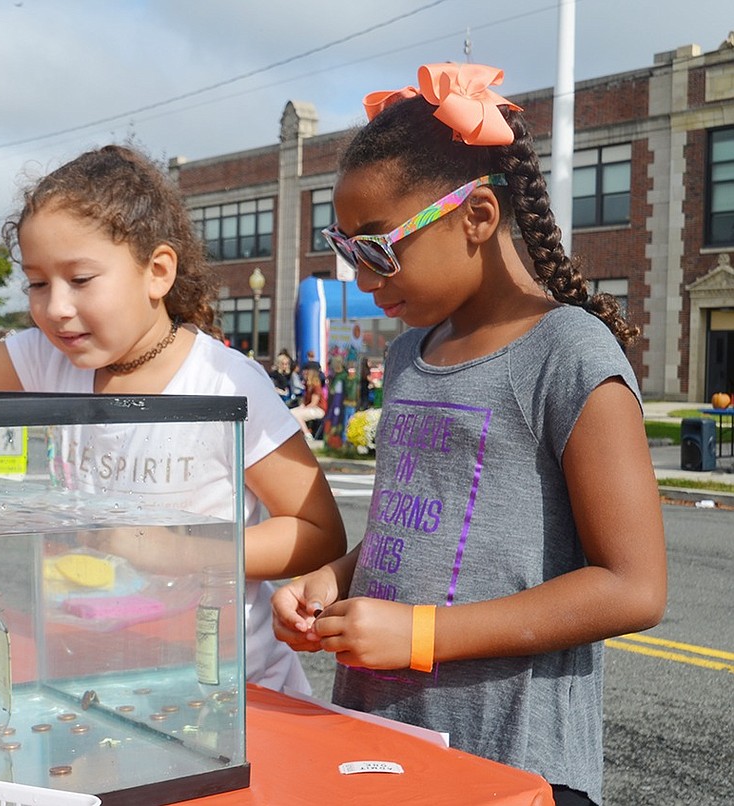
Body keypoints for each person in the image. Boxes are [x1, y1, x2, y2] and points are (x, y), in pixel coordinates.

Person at [270, 63, 666, 805]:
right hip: (379, 743)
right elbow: (418, 524)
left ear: (477, 217)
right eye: (347, 250)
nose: (360, 277)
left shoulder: (568, 351)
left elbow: (634, 586)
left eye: (378, 247)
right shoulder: (409, 353)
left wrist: (423, 635)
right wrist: (335, 580)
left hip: (509, 768)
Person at [0, 144, 347, 694]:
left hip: (230, 688)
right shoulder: (44, 359)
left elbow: (320, 533)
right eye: (37, 283)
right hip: (95, 677)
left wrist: (180, 549)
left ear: (158, 272)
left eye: (80, 279)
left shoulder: (225, 381)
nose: (55, 307)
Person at [290, 367, 326, 438]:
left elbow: (313, 403)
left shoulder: (316, 386)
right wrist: (301, 407)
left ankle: (307, 434)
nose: (304, 374)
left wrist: (303, 409)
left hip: (318, 410)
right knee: (291, 412)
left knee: (298, 415)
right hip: (309, 408)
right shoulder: (307, 386)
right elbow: (305, 402)